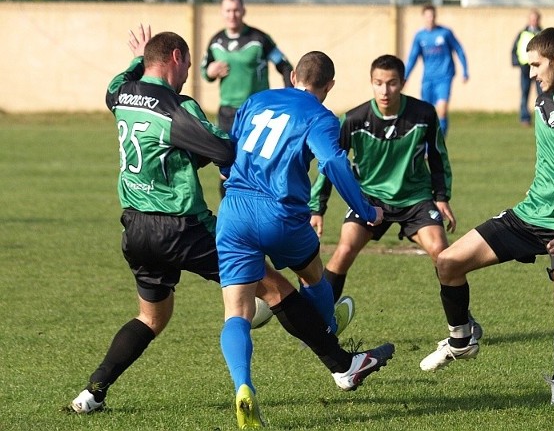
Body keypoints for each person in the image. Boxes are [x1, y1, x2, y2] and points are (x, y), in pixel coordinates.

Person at [69, 27, 394, 418]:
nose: (191, 69)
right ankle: (343, 365)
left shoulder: (121, 94)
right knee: (274, 288)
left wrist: (139, 58)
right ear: (176, 57)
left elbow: (118, 84)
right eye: (188, 61)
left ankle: (93, 391)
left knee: (152, 317)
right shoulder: (178, 107)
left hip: (135, 227)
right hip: (183, 226)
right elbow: (224, 149)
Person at [420, 28, 554, 407]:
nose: (530, 73)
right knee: (447, 263)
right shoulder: (542, 102)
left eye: (536, 64)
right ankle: (462, 338)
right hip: (528, 216)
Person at [215, 51, 394, 428]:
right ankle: (328, 330)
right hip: (280, 215)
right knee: (313, 275)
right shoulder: (320, 116)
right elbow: (331, 163)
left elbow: (228, 152)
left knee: (237, 312)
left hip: (234, 210)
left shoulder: (256, 99)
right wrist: (364, 208)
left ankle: (243, 387)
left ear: (293, 75)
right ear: (329, 86)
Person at [308, 54, 481, 339]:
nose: (384, 91)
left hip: (415, 199)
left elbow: (438, 157)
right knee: (344, 250)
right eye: (378, 83)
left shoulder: (424, 115)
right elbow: (330, 165)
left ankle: (463, 323)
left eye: (391, 84)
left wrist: (441, 196)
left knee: (442, 253)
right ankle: (319, 323)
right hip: (370, 200)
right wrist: (318, 208)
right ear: (371, 83)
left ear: (401, 83)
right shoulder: (353, 119)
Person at [201, 0, 294, 198]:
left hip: (259, 112)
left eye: (236, 10)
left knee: (261, 163)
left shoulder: (259, 39)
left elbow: (284, 65)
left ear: (243, 11)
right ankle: (229, 211)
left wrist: (290, 95)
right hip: (228, 113)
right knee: (227, 166)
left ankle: (262, 209)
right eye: (228, 10)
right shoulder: (216, 41)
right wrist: (211, 71)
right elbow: (204, 70)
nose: (232, 14)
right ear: (221, 13)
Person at [405, 4, 469, 137]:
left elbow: (459, 50)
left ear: (435, 16)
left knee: (442, 111)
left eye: (432, 16)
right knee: (426, 114)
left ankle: (439, 145)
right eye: (428, 16)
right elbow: (412, 58)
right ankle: (428, 146)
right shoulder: (420, 36)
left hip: (444, 77)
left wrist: (465, 71)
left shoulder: (445, 33)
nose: (430, 18)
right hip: (428, 78)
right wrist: (404, 77)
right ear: (423, 17)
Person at [511, 9, 543, 126]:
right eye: (532, 19)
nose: (534, 21)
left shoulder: (542, 33)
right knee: (525, 93)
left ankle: (543, 117)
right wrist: (516, 62)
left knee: (542, 94)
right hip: (525, 68)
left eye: (536, 19)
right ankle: (525, 118)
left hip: (540, 68)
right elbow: (515, 49)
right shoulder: (522, 33)